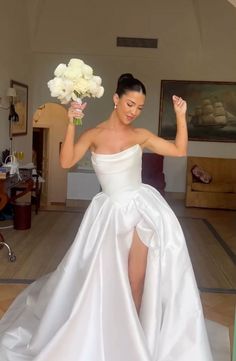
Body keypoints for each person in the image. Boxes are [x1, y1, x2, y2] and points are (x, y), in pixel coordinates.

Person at [0, 73, 221, 361]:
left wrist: (181, 116)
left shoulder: (140, 135)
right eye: (130, 104)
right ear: (116, 99)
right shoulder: (93, 134)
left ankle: (136, 341)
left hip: (141, 210)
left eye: (139, 108)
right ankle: (110, 331)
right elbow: (66, 162)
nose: (133, 112)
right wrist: (71, 122)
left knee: (136, 281)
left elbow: (179, 150)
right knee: (104, 279)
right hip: (108, 215)